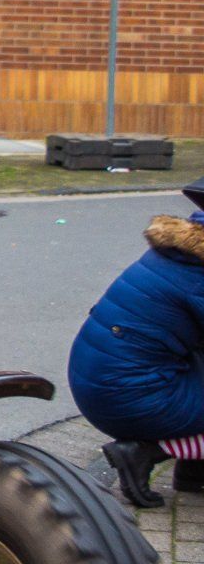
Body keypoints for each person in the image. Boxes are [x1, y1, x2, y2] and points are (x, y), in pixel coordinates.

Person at [70, 178, 204, 507]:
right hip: (129, 397)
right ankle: (146, 453)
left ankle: (193, 474)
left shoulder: (182, 252)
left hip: (102, 383)